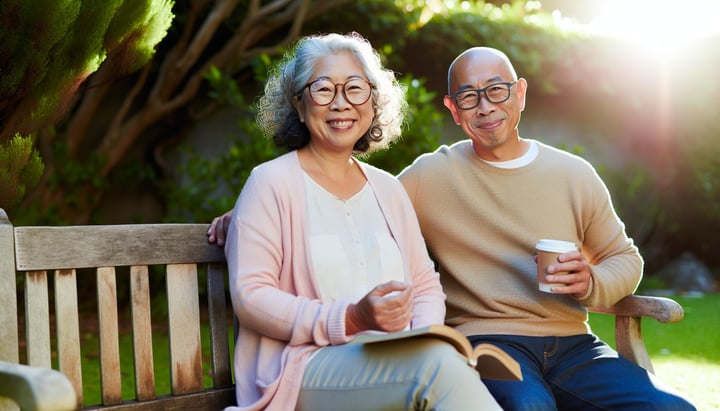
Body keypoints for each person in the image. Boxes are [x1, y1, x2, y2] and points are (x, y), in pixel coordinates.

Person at [211, 45, 697, 410]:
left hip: (569, 344)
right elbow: (320, 211)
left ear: (520, 93)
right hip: (474, 343)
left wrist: (592, 283)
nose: (485, 106)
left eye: (497, 90)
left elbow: (624, 260)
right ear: (453, 109)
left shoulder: (571, 174)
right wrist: (248, 215)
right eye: (469, 95)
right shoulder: (424, 177)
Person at [218, 32, 500, 411]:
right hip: (302, 370)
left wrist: (418, 340)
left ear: (372, 103)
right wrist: (350, 319)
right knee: (439, 370)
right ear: (298, 104)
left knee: (442, 364)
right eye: (322, 89)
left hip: (393, 362)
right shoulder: (270, 183)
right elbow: (251, 297)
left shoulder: (388, 189)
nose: (340, 103)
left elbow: (424, 285)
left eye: (354, 88)